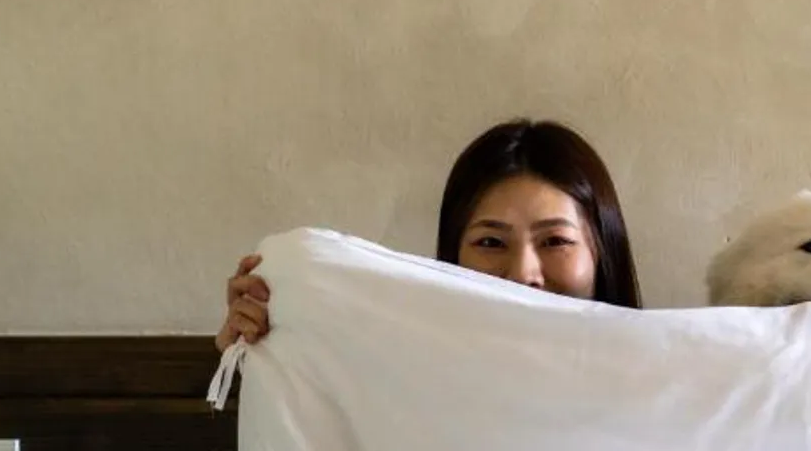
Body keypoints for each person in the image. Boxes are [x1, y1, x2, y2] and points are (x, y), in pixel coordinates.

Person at [216, 118, 641, 352]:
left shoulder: (662, 387)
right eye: (491, 242)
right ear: (451, 256)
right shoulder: (399, 374)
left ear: (602, 253)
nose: (523, 274)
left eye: (555, 241)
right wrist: (268, 346)